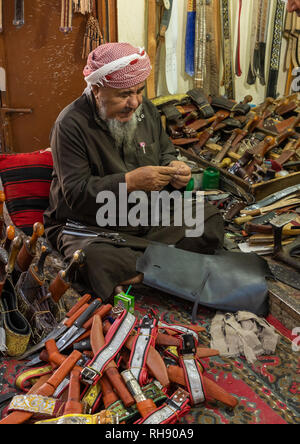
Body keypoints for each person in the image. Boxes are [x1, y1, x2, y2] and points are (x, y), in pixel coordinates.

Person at [44, 42, 224, 301]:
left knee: (208, 219)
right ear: (96, 90)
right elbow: (76, 194)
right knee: (92, 259)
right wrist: (129, 182)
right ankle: (168, 269)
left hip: (145, 216)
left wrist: (177, 169)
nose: (135, 102)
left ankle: (140, 276)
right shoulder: (70, 125)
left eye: (139, 91)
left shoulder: (146, 110)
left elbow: (165, 152)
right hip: (92, 225)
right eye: (124, 94)